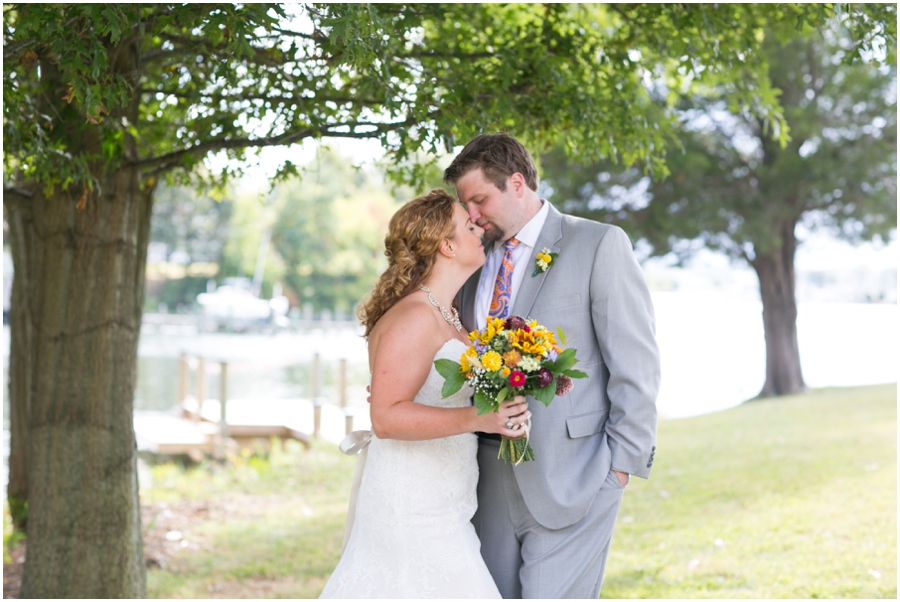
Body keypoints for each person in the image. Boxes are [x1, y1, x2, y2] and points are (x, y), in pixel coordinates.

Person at [444, 133, 661, 599]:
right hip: (483, 481)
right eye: (467, 206)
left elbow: (636, 363)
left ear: (516, 183)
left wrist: (619, 469)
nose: (474, 215)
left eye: (480, 200)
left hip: (576, 476)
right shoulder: (471, 259)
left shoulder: (598, 244)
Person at [319, 189, 531, 599]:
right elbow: (385, 418)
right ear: (447, 245)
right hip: (411, 507)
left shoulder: (446, 314)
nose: (480, 229)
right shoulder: (416, 315)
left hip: (443, 501)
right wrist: (480, 419)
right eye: (469, 226)